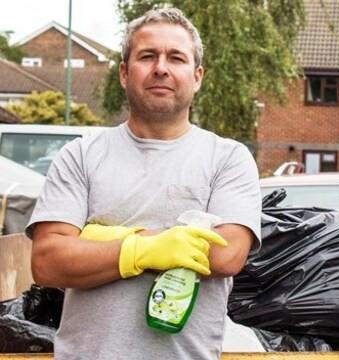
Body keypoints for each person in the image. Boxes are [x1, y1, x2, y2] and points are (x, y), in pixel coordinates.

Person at [28, 8, 261, 359]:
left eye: (176, 58)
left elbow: (226, 254)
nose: (161, 68)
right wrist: (143, 249)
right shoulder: (81, 155)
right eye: (147, 56)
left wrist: (96, 238)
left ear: (197, 76)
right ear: (124, 73)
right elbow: (48, 262)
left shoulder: (227, 159)